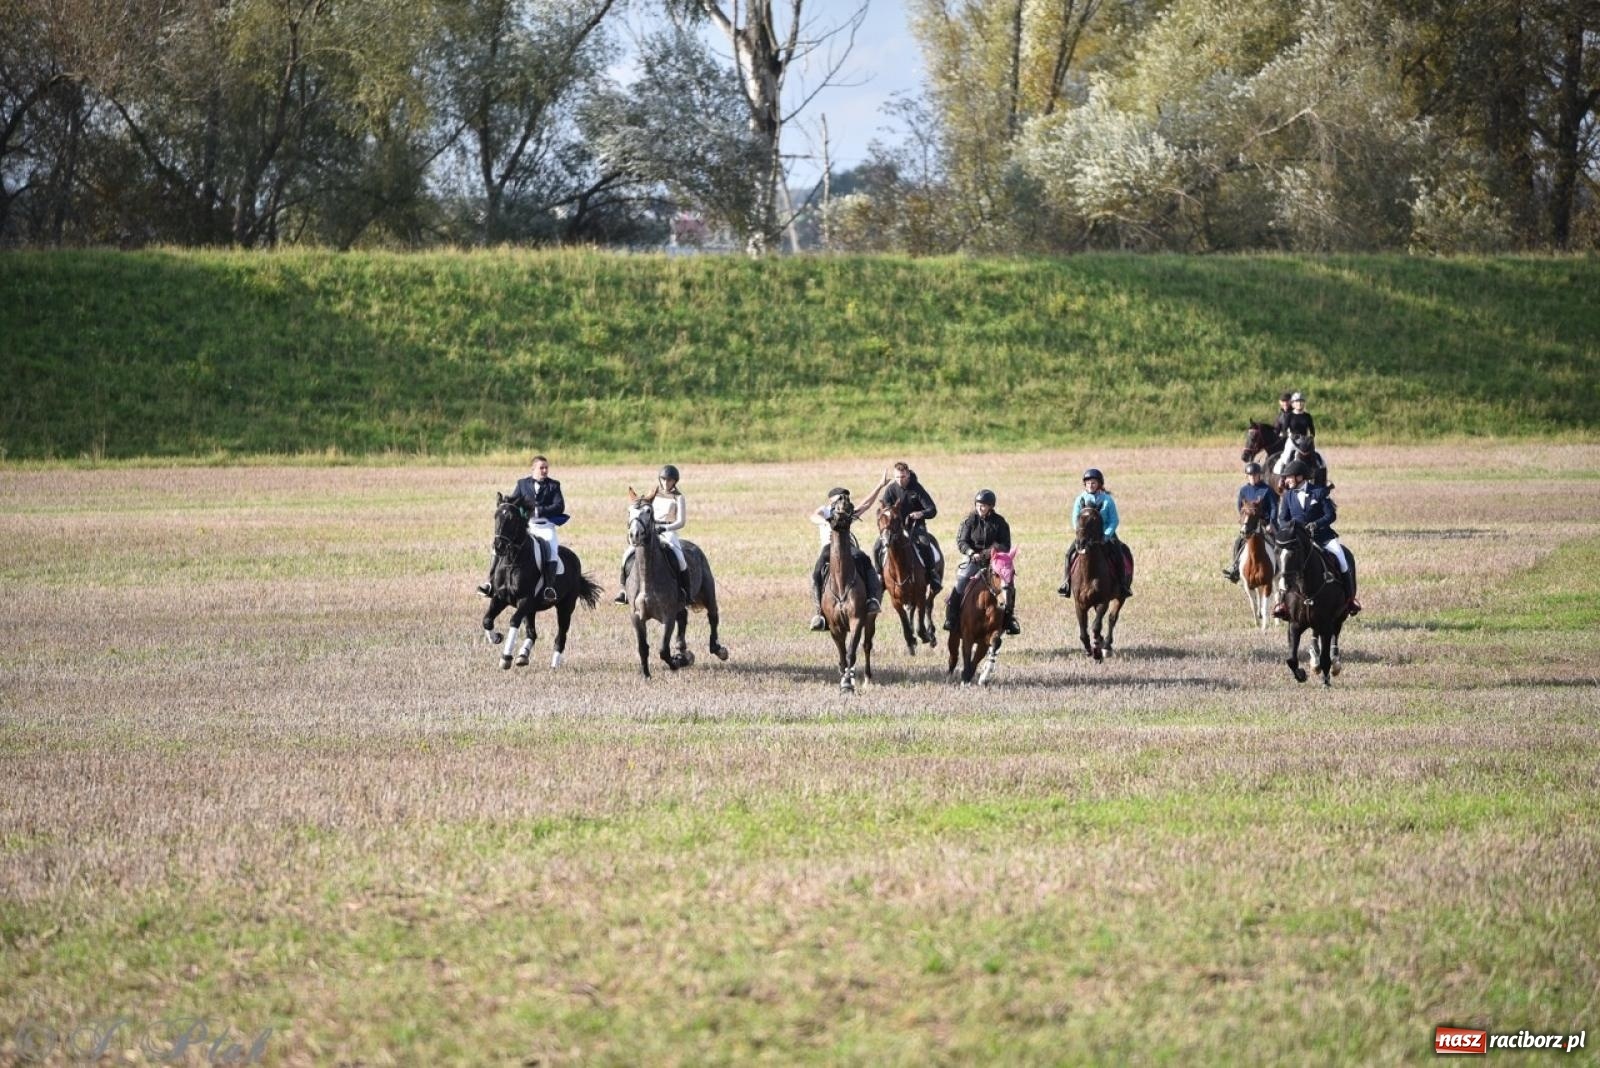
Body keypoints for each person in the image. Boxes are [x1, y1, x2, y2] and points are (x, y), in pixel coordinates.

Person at [1272, 459, 1360, 618]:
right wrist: (1293, 527)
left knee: (1342, 558)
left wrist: (1316, 524)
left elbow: (1330, 515)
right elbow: (1282, 519)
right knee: (1286, 565)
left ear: (1300, 477)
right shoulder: (1287, 496)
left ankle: (1350, 600)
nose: (1286, 480)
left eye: (1289, 477)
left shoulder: (1318, 492)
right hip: (1299, 540)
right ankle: (1283, 604)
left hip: (1323, 537)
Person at [808, 479, 890, 630]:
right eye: (840, 498)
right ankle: (819, 614)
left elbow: (866, 504)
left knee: (865, 560)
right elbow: (813, 516)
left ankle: (872, 600)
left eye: (846, 498)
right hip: (829, 548)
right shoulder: (825, 511)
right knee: (816, 574)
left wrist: (880, 485)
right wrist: (827, 522)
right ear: (831, 500)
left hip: (848, 547)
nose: (844, 501)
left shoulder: (847, 513)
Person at [943, 489, 1021, 636]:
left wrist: (987, 553)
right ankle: (951, 617)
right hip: (972, 559)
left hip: (994, 560)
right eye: (978, 504)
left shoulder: (1000, 522)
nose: (980, 507)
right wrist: (971, 553)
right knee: (961, 581)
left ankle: (1009, 620)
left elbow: (1005, 544)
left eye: (984, 505)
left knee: (1008, 584)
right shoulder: (969, 520)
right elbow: (961, 541)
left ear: (991, 506)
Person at [614, 464, 691, 603]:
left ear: (675, 481)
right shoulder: (654, 494)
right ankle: (623, 590)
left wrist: (665, 528)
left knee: (680, 559)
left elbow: (681, 522)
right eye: (663, 479)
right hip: (650, 530)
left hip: (668, 531)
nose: (665, 483)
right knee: (627, 554)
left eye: (669, 480)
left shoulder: (678, 498)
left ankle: (685, 592)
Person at [1059, 468, 1132, 599]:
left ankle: (1122, 585)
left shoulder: (1107, 500)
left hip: (1105, 535)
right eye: (1088, 483)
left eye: (1093, 483)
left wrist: (1106, 535)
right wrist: (1080, 533)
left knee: (1119, 553)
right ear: (1085, 485)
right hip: (1084, 536)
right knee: (1069, 554)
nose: (1090, 485)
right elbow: (1075, 518)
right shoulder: (1080, 499)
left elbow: (1114, 520)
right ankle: (1066, 583)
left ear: (1099, 484)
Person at [873, 462, 942, 594]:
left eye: (903, 477)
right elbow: (884, 508)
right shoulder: (891, 489)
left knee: (925, 543)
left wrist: (920, 513)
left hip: (915, 526)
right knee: (877, 546)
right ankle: (880, 576)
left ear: (908, 474)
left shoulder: (916, 489)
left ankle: (932, 575)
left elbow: (932, 509)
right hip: (895, 528)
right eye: (897, 477)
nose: (900, 480)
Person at [1222, 461, 1278, 583]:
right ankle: (1235, 568)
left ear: (1260, 475)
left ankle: (1279, 566)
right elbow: (1240, 508)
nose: (1253, 477)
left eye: (1255, 475)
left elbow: (1274, 507)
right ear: (1247, 476)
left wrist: (1271, 523)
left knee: (1276, 541)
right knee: (1239, 542)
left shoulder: (1267, 490)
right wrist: (1245, 522)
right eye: (1250, 475)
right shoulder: (1244, 490)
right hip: (1251, 525)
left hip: (1265, 523)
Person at [1272, 392, 1317, 474]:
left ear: (1304, 403)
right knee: (1286, 458)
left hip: (1305, 441)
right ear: (1292, 404)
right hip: (1292, 440)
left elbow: (1312, 430)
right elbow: (1284, 429)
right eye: (1297, 401)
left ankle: (1317, 477)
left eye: (1301, 401)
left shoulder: (1307, 416)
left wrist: (1311, 437)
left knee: (1315, 459)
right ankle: (1282, 477)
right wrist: (1288, 434)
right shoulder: (1289, 415)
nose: (1299, 404)